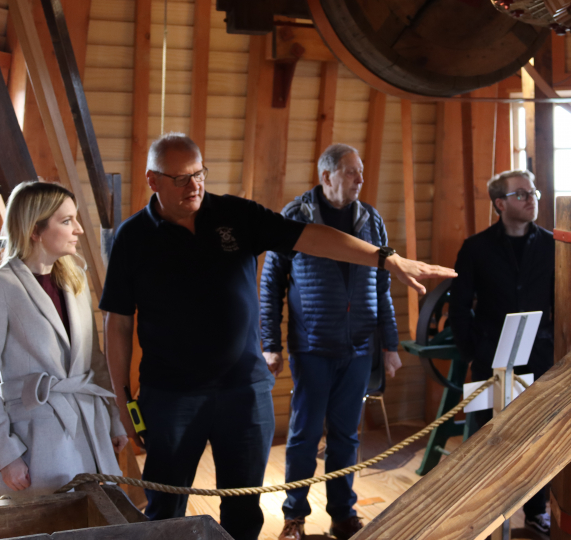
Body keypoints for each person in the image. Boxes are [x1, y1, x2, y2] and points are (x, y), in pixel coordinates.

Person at [100, 133, 456, 540]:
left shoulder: (234, 215)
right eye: (180, 178)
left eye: (199, 174)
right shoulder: (133, 238)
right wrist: (122, 399)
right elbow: (119, 322)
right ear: (153, 181)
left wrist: (385, 257)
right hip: (171, 396)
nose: (194, 185)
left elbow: (311, 237)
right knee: (166, 510)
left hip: (244, 392)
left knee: (244, 509)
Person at [259, 144, 402, 540]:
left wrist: (389, 344)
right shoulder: (296, 217)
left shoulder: (371, 219)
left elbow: (383, 284)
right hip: (313, 347)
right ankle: (294, 518)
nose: (360, 179)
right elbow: (270, 285)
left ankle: (343, 513)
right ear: (327, 177)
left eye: (360, 171)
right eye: (351, 172)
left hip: (359, 348)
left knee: (346, 435)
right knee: (305, 435)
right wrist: (271, 343)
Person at [0, 181, 127, 498]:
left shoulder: (74, 278)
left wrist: (114, 420)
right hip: (34, 442)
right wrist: (5, 455)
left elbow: (94, 362)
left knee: (94, 525)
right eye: (67, 221)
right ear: (35, 230)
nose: (78, 229)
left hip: (88, 427)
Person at [448, 169, 554, 535]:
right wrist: (473, 350)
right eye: (521, 194)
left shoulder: (552, 244)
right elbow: (459, 306)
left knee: (539, 436)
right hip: (492, 357)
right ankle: (489, 512)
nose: (531, 198)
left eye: (533, 192)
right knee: (490, 438)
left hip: (540, 358)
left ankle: (538, 510)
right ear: (500, 203)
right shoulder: (475, 248)